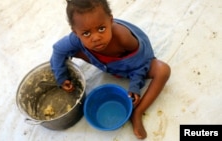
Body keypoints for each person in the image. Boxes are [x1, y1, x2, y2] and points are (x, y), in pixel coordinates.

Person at [50, 0, 171, 139]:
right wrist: (61, 77)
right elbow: (58, 50)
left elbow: (141, 64)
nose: (96, 38)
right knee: (66, 53)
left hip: (133, 66)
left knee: (163, 70)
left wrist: (135, 86)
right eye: (86, 33)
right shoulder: (76, 39)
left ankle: (137, 113)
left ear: (111, 21)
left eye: (101, 28)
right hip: (105, 64)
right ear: (75, 32)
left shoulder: (123, 38)